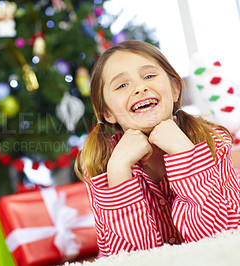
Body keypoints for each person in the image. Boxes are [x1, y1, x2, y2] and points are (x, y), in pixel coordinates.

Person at [74, 40, 240, 257]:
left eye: (149, 76)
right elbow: (124, 259)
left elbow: (225, 235)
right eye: (122, 85)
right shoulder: (102, 165)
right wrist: (119, 172)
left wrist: (185, 154)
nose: (140, 88)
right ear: (108, 113)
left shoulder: (213, 141)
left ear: (174, 89)